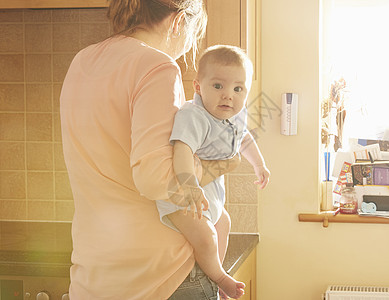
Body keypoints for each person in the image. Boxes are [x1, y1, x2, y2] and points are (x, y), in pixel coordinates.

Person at [60, 1, 240, 299]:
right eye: (194, 35)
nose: (187, 47)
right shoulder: (157, 67)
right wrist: (220, 164)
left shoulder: (82, 61)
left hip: (94, 275)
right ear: (179, 20)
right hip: (161, 277)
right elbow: (156, 178)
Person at [156, 45, 270, 299]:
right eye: (218, 86)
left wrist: (259, 165)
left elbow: (245, 139)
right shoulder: (194, 116)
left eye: (238, 89)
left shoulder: (235, 115)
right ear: (198, 87)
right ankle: (219, 276)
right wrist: (190, 185)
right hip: (183, 199)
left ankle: (214, 275)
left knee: (224, 222)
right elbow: (183, 149)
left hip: (210, 195)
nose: (228, 96)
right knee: (206, 236)